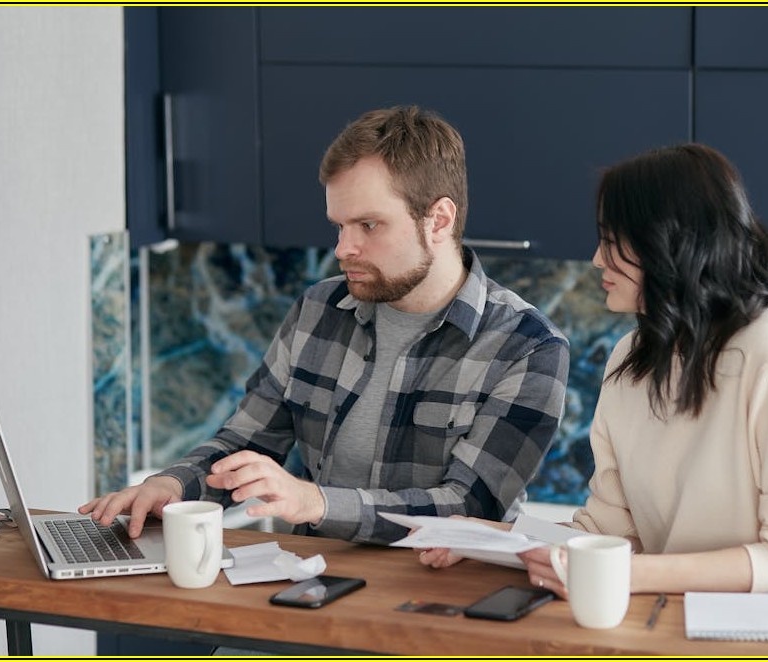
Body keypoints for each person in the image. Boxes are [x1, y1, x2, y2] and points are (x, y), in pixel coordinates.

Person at [80, 106, 570, 545]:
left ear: (438, 220)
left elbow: (470, 508)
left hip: (437, 606)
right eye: (339, 225)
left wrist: (315, 502)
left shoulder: (527, 347)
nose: (343, 249)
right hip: (316, 583)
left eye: (369, 226)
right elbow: (246, 442)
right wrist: (171, 485)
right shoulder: (319, 308)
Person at [420, 143, 768, 596]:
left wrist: (627, 575)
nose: (596, 259)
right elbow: (609, 531)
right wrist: (490, 537)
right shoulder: (631, 358)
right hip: (666, 624)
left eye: (611, 241)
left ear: (669, 242)